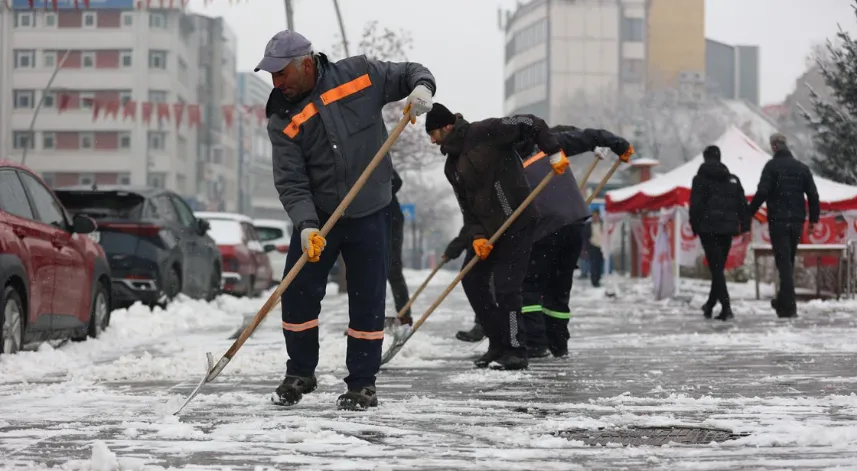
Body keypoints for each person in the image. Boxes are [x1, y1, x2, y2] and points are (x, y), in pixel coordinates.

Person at [258, 30, 436, 410]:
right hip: (319, 217)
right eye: (271, 76)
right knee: (299, 292)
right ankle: (300, 372)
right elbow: (291, 180)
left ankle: (362, 382)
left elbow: (411, 72)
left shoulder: (360, 74)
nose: (277, 83)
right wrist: (306, 225)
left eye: (281, 74)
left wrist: (421, 88)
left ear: (306, 63)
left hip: (371, 208)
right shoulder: (281, 116)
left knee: (368, 297)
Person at [427, 103, 567, 370]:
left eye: (433, 133)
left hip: (518, 219)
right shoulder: (451, 167)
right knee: (472, 279)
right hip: (488, 230)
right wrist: (477, 236)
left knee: (507, 287)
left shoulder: (487, 131)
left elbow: (531, 122)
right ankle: (497, 343)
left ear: (447, 126)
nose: (432, 141)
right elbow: (466, 207)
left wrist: (553, 151)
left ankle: (516, 349)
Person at [518, 126, 633, 358]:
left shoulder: (513, 165)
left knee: (530, 286)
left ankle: (536, 342)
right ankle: (559, 344)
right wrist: (618, 144)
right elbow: (588, 135)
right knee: (559, 288)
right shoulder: (552, 146)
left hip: (544, 228)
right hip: (575, 223)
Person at [748, 133, 819, 318]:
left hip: (778, 220)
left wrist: (748, 212)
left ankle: (790, 307)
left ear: (773, 147)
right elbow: (813, 195)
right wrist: (813, 220)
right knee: (788, 261)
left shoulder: (771, 167)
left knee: (784, 262)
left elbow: (763, 191)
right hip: (796, 221)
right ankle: (782, 303)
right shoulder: (801, 168)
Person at [689, 145, 750, 321]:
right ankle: (709, 305)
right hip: (727, 230)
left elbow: (695, 205)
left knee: (716, 269)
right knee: (718, 268)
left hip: (708, 229)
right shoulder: (732, 180)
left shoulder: (699, 179)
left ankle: (726, 308)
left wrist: (695, 227)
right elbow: (742, 205)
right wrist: (745, 227)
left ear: (705, 158)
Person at [387, 168, 412, 325]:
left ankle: (404, 315)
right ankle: (364, 318)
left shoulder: (375, 152)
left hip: (390, 219)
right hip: (363, 218)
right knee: (366, 270)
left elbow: (396, 181)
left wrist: (376, 192)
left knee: (393, 268)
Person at [584, 210, 605, 288]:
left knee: (599, 264)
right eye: (593, 216)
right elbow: (585, 236)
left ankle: (598, 279)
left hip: (601, 246)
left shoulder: (603, 224)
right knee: (593, 264)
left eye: (596, 216)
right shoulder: (588, 225)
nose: (595, 218)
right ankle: (594, 281)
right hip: (592, 247)